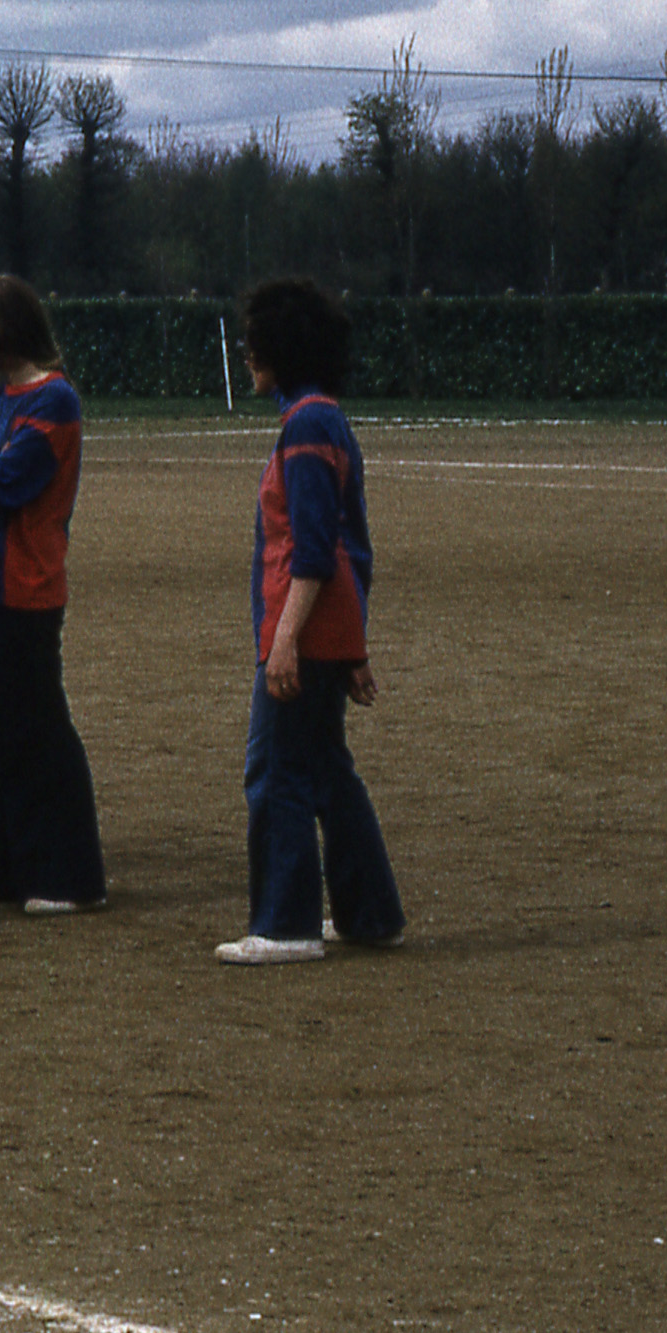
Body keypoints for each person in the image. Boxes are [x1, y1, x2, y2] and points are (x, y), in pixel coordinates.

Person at [218, 277, 405, 965]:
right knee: (326, 769)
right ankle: (370, 914)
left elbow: (317, 549)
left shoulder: (307, 425)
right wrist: (351, 648)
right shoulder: (324, 418)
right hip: (330, 630)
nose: (247, 354)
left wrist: (286, 640)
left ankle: (284, 924)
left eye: (256, 342)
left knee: (276, 772)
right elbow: (354, 546)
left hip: (304, 628)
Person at [0, 275, 107, 915]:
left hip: (25, 587)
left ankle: (67, 876)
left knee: (37, 729)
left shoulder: (53, 399)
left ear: (2, 331)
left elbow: (11, 479)